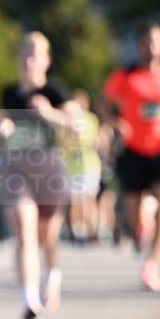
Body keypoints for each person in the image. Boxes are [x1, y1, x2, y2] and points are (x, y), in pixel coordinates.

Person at [0, 32, 79, 319]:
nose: (30, 60)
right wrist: (2, 126)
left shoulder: (56, 91)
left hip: (49, 170)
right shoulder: (9, 92)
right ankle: (29, 300)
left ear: (47, 60)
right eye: (26, 54)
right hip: (17, 169)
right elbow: (2, 120)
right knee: (25, 231)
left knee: (48, 237)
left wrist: (49, 113)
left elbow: (77, 126)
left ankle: (52, 273)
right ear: (19, 59)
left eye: (37, 54)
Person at [103, 22, 160, 291]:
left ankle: (151, 264)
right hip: (132, 149)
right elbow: (103, 102)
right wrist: (113, 122)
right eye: (147, 42)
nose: (152, 48)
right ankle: (138, 228)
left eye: (157, 42)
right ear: (139, 46)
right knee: (134, 208)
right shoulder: (125, 75)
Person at [59, 89, 102, 243]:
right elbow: (61, 141)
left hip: (89, 164)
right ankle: (76, 230)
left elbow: (96, 139)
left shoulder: (91, 119)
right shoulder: (64, 119)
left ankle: (91, 230)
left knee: (88, 198)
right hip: (72, 165)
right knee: (75, 199)